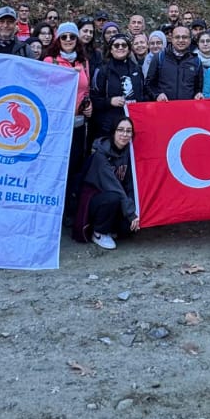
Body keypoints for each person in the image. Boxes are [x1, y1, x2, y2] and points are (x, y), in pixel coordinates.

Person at [45, 23, 94, 213]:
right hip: (57, 125)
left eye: (72, 37)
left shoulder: (84, 62)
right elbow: (44, 90)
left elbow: (86, 90)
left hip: (78, 124)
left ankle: (68, 210)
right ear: (58, 39)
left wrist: (88, 105)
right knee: (55, 166)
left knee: (74, 166)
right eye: (63, 36)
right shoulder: (50, 61)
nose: (68, 40)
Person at [75, 118, 140, 251]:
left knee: (128, 229)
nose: (124, 134)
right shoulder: (101, 155)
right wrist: (130, 213)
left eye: (128, 131)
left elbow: (130, 183)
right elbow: (113, 186)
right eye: (120, 130)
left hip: (115, 197)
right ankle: (98, 233)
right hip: (96, 198)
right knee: (113, 197)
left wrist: (136, 210)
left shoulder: (129, 153)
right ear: (113, 132)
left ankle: (111, 227)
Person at [91, 33, 145, 141]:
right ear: (111, 50)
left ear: (129, 49)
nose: (120, 47)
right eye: (116, 45)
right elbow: (94, 99)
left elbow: (143, 94)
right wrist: (110, 101)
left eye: (124, 45)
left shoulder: (137, 69)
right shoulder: (102, 71)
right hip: (109, 125)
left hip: (133, 122)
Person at [150, 24, 204, 102]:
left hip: (188, 107)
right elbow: (149, 84)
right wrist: (157, 95)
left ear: (190, 40)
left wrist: (197, 94)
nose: (181, 40)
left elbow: (198, 87)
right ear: (172, 39)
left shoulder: (196, 61)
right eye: (177, 37)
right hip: (164, 106)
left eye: (184, 37)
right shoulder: (159, 58)